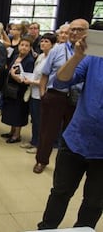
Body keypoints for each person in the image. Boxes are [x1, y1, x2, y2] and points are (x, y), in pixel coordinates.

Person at [37, 21, 103, 230]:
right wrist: (76, 57)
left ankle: (83, 230)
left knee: (94, 202)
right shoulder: (93, 58)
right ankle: (46, 229)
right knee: (60, 192)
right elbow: (61, 82)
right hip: (76, 139)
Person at [33, 19, 89, 174]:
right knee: (47, 132)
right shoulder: (57, 50)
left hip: (78, 97)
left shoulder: (91, 51)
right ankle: (41, 160)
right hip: (55, 96)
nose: (74, 33)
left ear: (87, 33)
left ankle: (69, 165)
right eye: (72, 29)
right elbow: (45, 73)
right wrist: (43, 94)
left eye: (79, 30)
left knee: (72, 133)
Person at [21, 33, 57, 153]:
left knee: (41, 121)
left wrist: (32, 81)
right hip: (33, 91)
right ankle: (34, 141)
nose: (43, 44)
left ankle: (39, 145)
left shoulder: (53, 58)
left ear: (53, 44)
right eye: (42, 41)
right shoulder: (41, 56)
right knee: (35, 120)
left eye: (46, 42)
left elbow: (48, 79)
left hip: (43, 92)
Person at [0, 37, 35, 143]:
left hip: (21, 90)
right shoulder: (15, 56)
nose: (23, 47)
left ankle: (17, 135)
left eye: (26, 45)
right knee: (11, 111)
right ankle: (12, 131)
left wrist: (14, 76)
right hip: (11, 89)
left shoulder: (30, 61)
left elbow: (26, 78)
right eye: (22, 45)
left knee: (18, 112)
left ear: (30, 48)